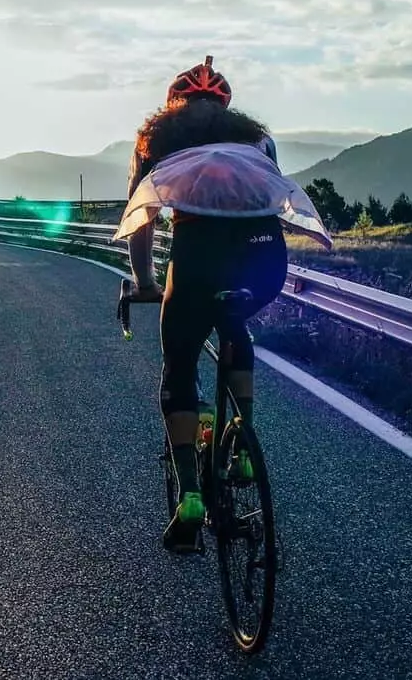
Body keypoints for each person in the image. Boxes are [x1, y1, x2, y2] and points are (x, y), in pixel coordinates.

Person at [122, 56, 294, 553]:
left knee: (178, 363)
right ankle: (241, 444)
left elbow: (142, 218)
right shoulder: (258, 141)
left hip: (198, 258)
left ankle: (192, 498)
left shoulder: (156, 142)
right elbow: (276, 198)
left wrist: (144, 281)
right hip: (264, 256)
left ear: (174, 105)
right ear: (226, 105)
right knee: (235, 321)